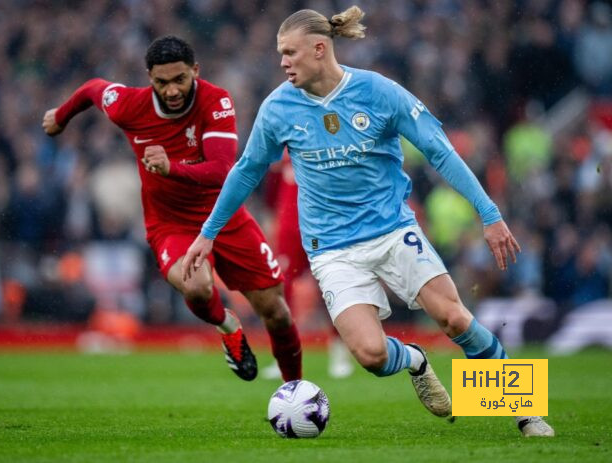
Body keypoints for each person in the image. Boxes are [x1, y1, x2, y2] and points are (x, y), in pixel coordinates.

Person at [181, 7, 555, 437]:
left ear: (319, 49)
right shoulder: (278, 108)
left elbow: (439, 151)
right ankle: (414, 359)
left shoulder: (378, 92)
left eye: (290, 52)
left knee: (453, 318)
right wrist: (208, 234)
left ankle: (525, 413)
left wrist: (489, 214)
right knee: (372, 356)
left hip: (394, 231)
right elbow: (246, 171)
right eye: (279, 53)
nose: (282, 62)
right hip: (334, 249)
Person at [41, 35, 302, 382]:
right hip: (172, 224)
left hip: (225, 217)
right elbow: (93, 88)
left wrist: (171, 167)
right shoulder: (128, 105)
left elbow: (222, 171)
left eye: (180, 79)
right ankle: (228, 327)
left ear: (195, 70)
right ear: (149, 77)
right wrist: (61, 115)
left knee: (277, 314)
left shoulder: (216, 100)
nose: (173, 90)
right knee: (196, 287)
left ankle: (295, 389)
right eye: (162, 82)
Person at [262, 148, 353, 379]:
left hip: (322, 228)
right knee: (283, 290)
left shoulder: (326, 145)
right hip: (290, 230)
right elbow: (270, 194)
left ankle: (340, 351)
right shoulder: (281, 151)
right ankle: (284, 355)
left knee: (330, 288)